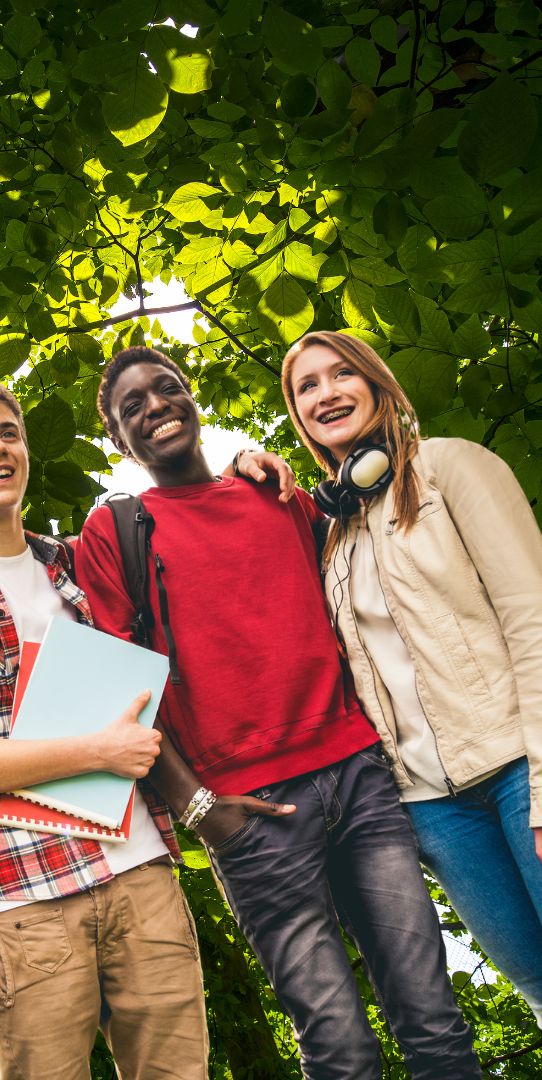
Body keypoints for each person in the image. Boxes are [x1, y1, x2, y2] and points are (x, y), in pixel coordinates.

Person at [76, 345, 482, 1080]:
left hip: (360, 781)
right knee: (340, 1049)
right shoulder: (114, 531)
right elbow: (117, 692)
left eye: (165, 390)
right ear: (117, 440)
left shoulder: (278, 497)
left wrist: (259, 460)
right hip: (250, 816)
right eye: (131, 406)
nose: (154, 407)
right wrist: (199, 807)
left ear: (191, 398)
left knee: (434, 1023)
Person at [0, 376, 286, 1080]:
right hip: (20, 901)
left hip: (139, 876)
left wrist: (245, 469)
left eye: (8, 433)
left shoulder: (79, 560)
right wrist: (97, 752)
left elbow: (194, 554)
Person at [282, 329, 542, 1027]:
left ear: (376, 383)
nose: (326, 393)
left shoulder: (452, 468)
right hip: (436, 809)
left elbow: (532, 618)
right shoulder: (332, 538)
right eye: (307, 386)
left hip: (520, 765)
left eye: (341, 375)